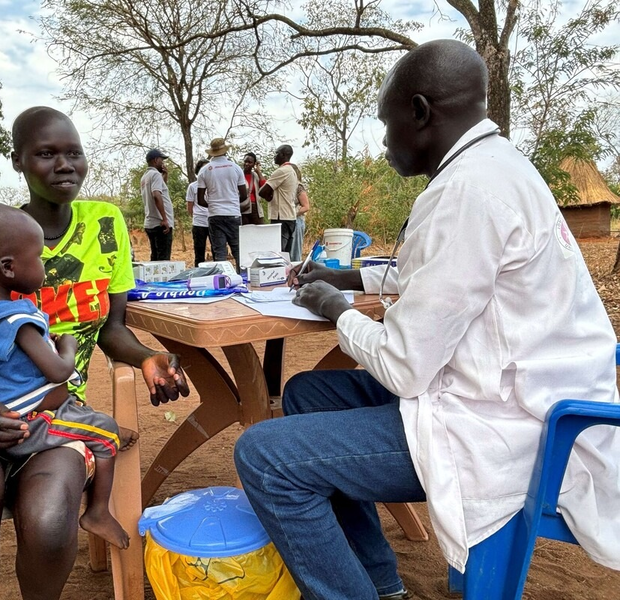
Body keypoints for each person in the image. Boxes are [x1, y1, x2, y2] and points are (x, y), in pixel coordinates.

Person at [234, 39, 620, 600]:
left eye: (385, 123)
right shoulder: (497, 167)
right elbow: (445, 275)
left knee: (264, 457)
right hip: (512, 398)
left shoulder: (467, 191)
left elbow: (405, 367)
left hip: (504, 431)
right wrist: (350, 278)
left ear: (418, 111)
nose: (384, 141)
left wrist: (337, 310)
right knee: (308, 394)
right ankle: (380, 581)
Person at [0, 106, 190, 600]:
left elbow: (112, 329)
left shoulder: (105, 224)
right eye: (46, 154)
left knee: (49, 517)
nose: (64, 165)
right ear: (18, 162)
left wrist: (145, 357)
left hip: (57, 411)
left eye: (74, 153)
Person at [0, 200, 137, 549]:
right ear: (8, 267)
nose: (44, 267)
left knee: (84, 416)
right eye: (37, 258)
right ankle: (97, 512)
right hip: (28, 422)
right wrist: (67, 344)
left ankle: (81, 425)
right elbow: (60, 370)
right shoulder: (18, 320)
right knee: (108, 432)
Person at [197, 137, 247, 271]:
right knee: (238, 251)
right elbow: (244, 195)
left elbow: (200, 200)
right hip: (233, 214)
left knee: (219, 252)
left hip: (215, 215)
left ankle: (222, 279)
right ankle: (242, 278)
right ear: (225, 151)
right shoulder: (235, 168)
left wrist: (214, 205)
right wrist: (232, 203)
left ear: (212, 152)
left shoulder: (205, 170)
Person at [258, 144, 298, 253]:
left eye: (277, 153)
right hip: (290, 216)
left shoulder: (282, 171)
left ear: (284, 155)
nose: (274, 156)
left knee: (278, 252)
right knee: (285, 253)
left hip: (281, 217)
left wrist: (269, 196)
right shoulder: (292, 171)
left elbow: (262, 191)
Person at [141, 148, 174, 261]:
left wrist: (165, 176)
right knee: (163, 261)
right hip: (161, 225)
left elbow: (160, 190)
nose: (163, 163)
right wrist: (165, 219)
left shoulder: (145, 176)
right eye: (161, 160)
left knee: (155, 259)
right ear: (155, 160)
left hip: (151, 223)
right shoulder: (155, 174)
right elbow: (156, 194)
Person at [186, 158, 211, 266]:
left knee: (217, 249)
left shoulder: (214, 185)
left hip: (213, 221)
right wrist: (196, 216)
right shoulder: (192, 186)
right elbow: (189, 206)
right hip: (199, 223)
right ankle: (198, 271)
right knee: (199, 251)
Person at [289, 164, 310, 261]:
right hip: (288, 221)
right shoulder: (287, 186)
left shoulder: (298, 186)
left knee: (295, 252)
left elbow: (306, 206)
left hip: (297, 221)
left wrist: (292, 213)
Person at [241, 152, 266, 225]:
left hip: (255, 208)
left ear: (254, 164)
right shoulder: (239, 175)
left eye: (250, 162)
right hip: (243, 208)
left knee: (259, 229)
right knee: (243, 230)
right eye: (245, 161)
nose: (246, 164)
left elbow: (264, 186)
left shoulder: (256, 175)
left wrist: (258, 171)